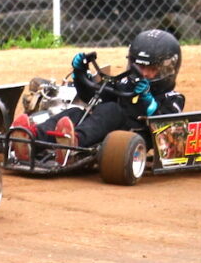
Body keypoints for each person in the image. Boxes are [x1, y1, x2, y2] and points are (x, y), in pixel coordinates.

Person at [10, 29, 185, 165]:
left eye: (151, 69)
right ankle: (30, 138)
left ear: (167, 69)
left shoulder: (173, 98)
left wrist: (148, 101)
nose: (143, 73)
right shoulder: (124, 83)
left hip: (130, 135)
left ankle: (73, 142)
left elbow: (167, 128)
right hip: (102, 127)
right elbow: (93, 97)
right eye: (139, 66)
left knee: (111, 110)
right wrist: (80, 75)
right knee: (74, 112)